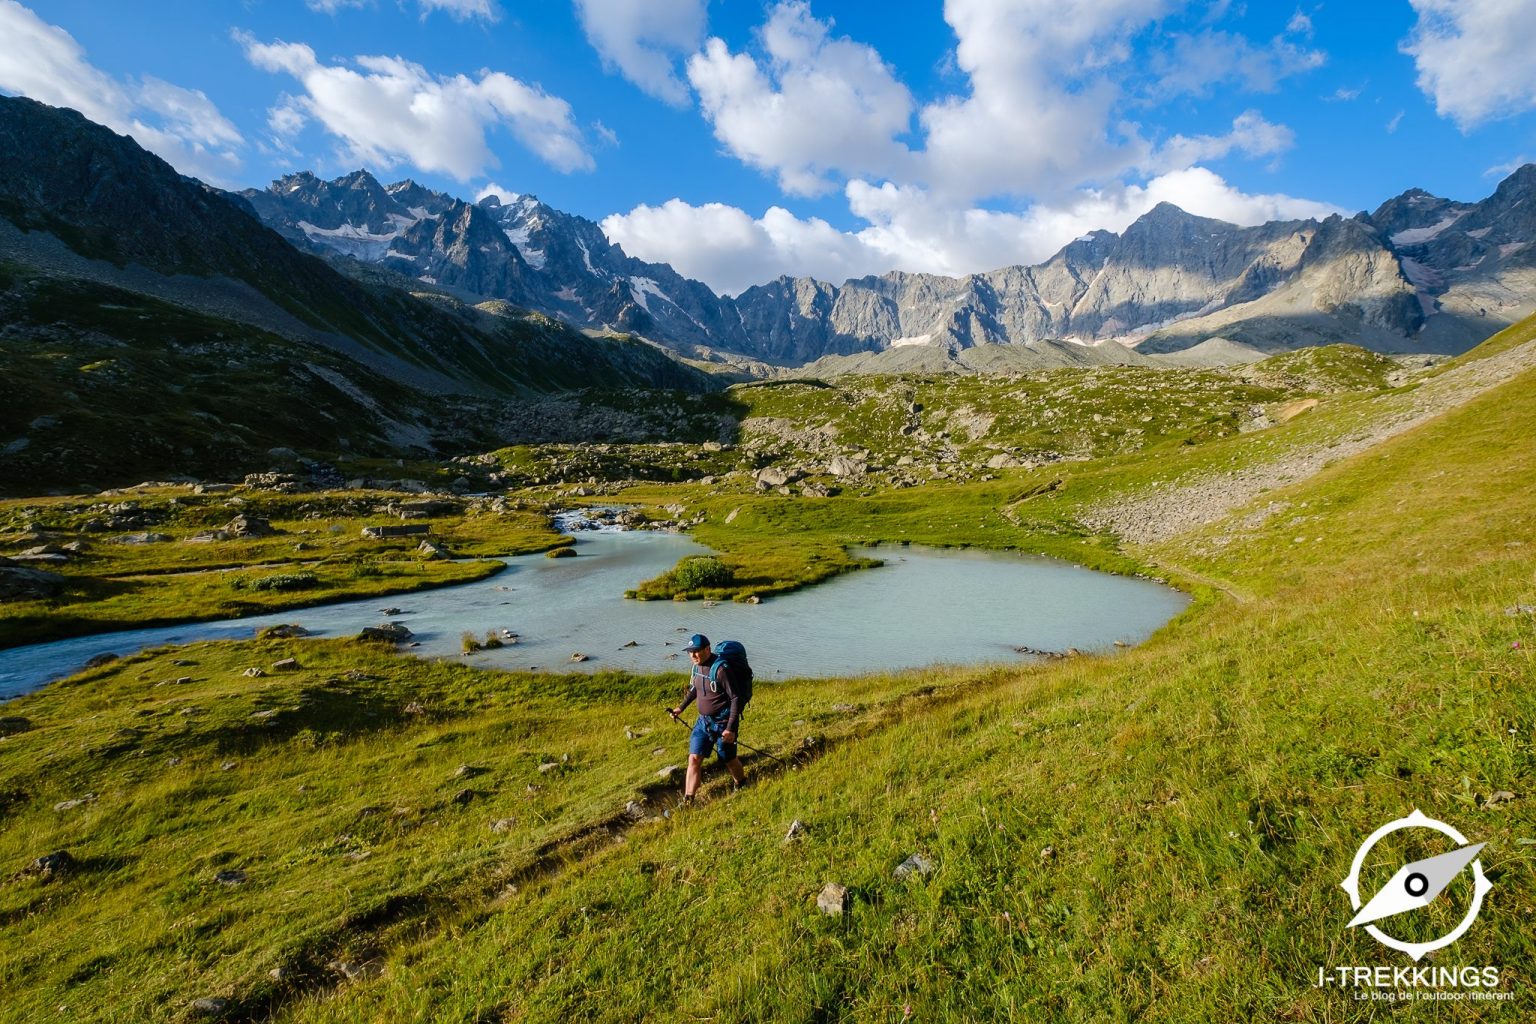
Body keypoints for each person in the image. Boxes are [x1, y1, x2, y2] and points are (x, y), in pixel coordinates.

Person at [667, 634, 745, 801]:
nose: (693, 655)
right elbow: (696, 689)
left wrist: (730, 729)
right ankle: (688, 800)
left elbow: (735, 698)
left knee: (728, 759)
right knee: (694, 758)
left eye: (696, 651)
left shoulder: (721, 669)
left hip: (723, 723)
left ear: (707, 649)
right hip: (703, 722)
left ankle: (741, 783)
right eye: (690, 652)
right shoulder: (697, 668)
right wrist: (681, 708)